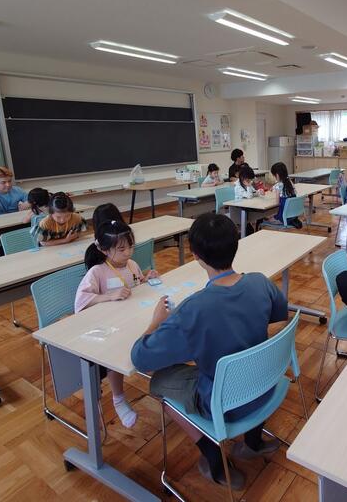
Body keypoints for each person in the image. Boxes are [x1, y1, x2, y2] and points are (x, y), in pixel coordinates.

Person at [131, 213, 288, 489]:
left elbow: (140, 358)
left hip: (226, 404)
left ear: (196, 256)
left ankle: (213, 456)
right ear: (236, 245)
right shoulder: (260, 282)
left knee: (158, 382)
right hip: (265, 384)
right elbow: (278, 313)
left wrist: (155, 322)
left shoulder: (193, 309)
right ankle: (253, 442)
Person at [76, 220, 159, 428]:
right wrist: (108, 296)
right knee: (115, 356)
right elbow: (81, 302)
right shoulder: (97, 272)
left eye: (130, 246)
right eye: (121, 249)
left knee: (157, 333)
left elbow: (136, 284)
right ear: (104, 249)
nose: (128, 252)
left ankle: (158, 374)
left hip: (132, 319)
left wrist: (147, 279)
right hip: (111, 328)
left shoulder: (132, 265)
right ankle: (118, 399)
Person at [269, 162, 302, 229]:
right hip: (292, 215)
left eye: (274, 176)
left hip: (282, 217)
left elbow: (277, 203)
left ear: (277, 175)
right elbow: (277, 186)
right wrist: (274, 187)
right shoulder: (289, 181)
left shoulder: (279, 185)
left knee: (267, 218)